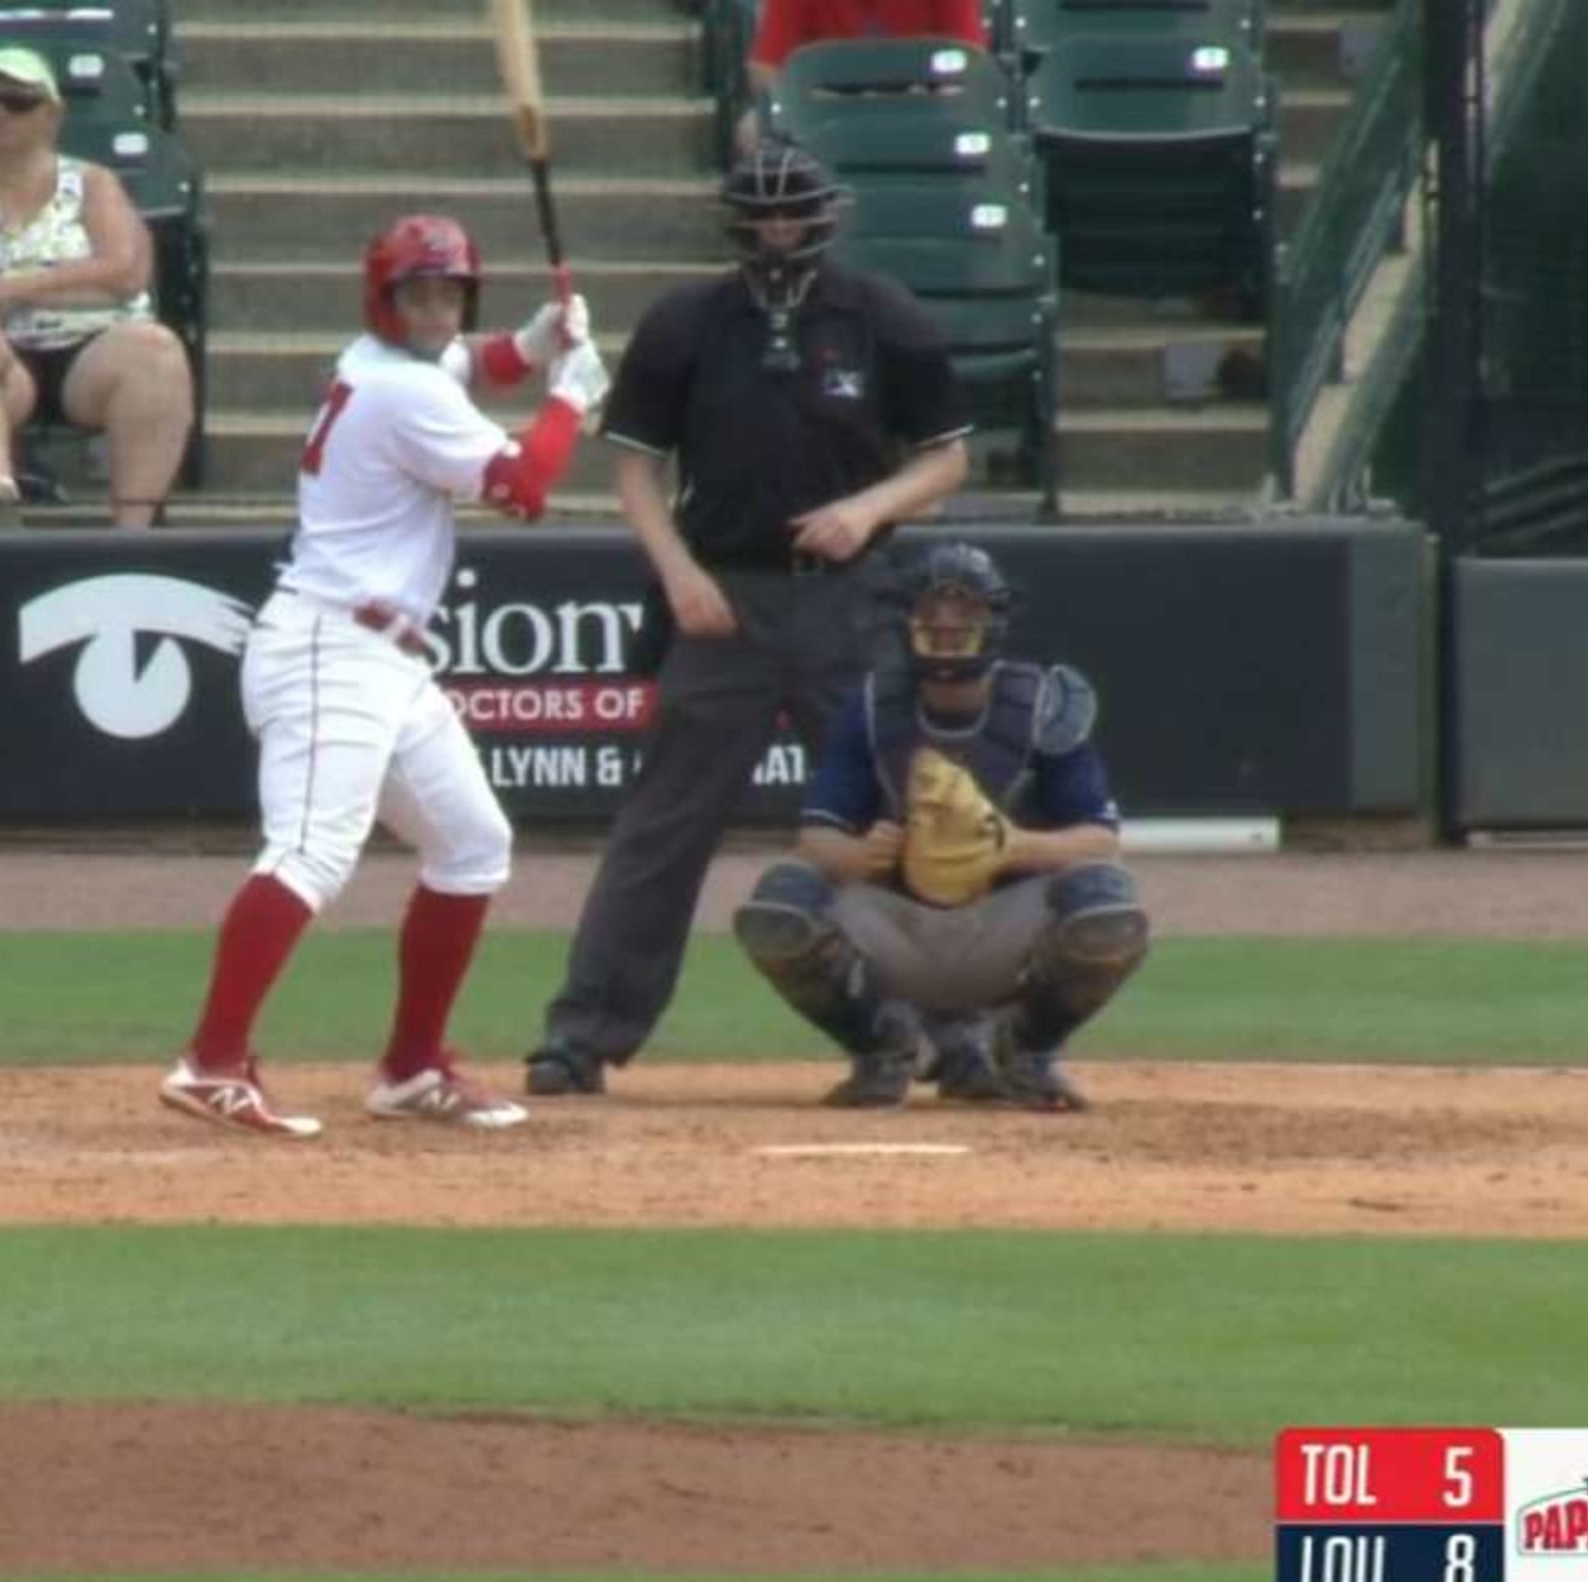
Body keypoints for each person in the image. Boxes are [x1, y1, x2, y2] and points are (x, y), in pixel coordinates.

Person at [524, 143, 970, 1098]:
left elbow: (947, 460)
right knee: (662, 827)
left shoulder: (879, 314)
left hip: (845, 600)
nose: (777, 235)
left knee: (897, 819)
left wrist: (871, 509)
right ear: (734, 224)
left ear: (824, 217)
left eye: (791, 216)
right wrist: (677, 570)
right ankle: (586, 1034)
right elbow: (637, 467)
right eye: (760, 219)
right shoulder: (688, 321)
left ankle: (956, 1031)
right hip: (722, 598)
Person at [159, 214, 608, 1137]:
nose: (437, 308)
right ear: (384, 298)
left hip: (384, 656)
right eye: (419, 293)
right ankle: (210, 1061)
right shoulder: (402, 393)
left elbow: (474, 365)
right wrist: (572, 396)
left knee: (474, 844)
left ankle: (409, 1068)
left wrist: (533, 344)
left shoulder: (384, 363)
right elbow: (525, 488)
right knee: (312, 853)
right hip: (334, 646)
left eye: (450, 292)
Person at [728, 543, 1150, 1110]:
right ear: (905, 623)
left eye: (965, 615)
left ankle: (1023, 1049)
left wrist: (1010, 846)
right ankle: (884, 1045)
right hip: (899, 923)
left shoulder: (1042, 704)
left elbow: (1099, 837)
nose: (947, 629)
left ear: (993, 621)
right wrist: (859, 855)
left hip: (1005, 922)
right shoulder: (876, 707)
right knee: (782, 900)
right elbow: (816, 836)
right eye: (931, 615)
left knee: (1107, 903)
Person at [0, 45, 193, 529]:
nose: (0, 112)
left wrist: (8, 288)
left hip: (95, 347)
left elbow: (124, 274)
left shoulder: (93, 183)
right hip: (5, 349)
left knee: (156, 349)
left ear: (51, 114)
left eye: (17, 102)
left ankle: (134, 532)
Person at [737, 0, 990, 154]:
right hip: (828, 109)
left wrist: (932, 100)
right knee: (753, 129)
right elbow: (765, 70)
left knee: (973, 125)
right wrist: (818, 101)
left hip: (921, 108)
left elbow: (972, 65)